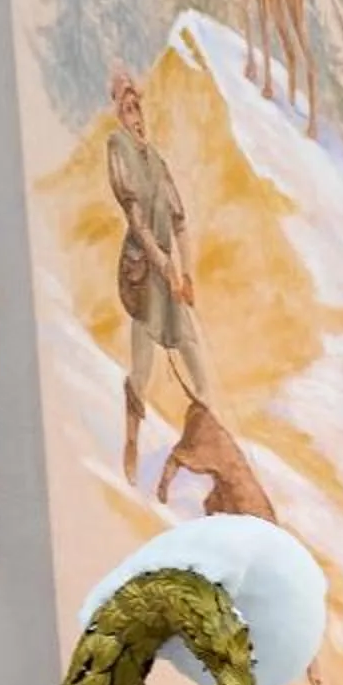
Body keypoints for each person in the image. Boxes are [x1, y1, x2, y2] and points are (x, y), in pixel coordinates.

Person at [106, 65, 210, 484]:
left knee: (190, 344)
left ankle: (206, 425)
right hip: (142, 272)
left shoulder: (157, 159)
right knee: (144, 366)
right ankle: (132, 439)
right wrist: (166, 269)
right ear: (119, 113)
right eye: (128, 108)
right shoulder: (119, 149)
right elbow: (138, 223)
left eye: (138, 107)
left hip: (167, 274)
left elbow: (179, 221)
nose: (136, 115)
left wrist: (188, 274)